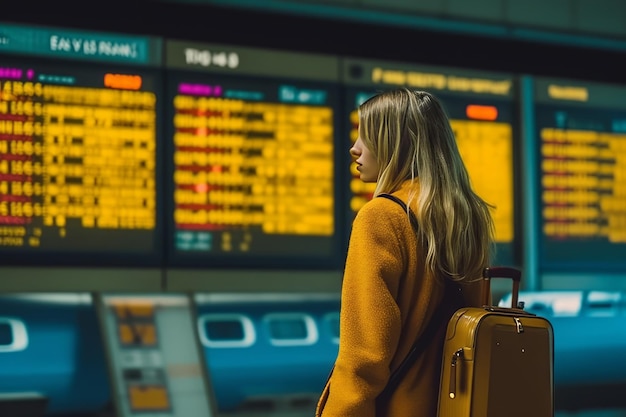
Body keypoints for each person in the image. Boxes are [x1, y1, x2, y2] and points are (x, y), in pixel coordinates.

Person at [315, 88, 495, 417]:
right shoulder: (465, 218)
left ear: (394, 144)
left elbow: (364, 355)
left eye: (366, 137)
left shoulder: (381, 217)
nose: (354, 149)